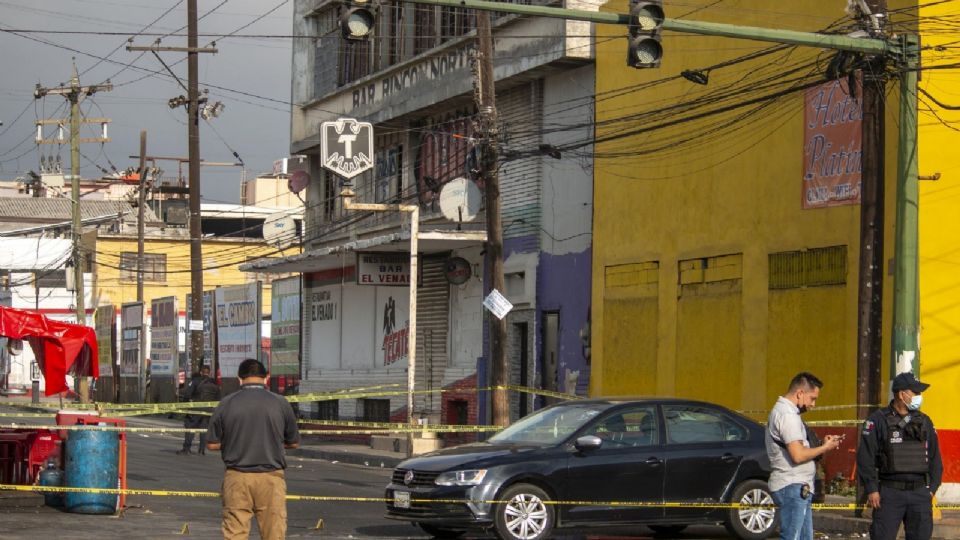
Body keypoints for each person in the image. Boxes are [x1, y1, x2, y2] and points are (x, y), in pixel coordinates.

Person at [206, 359, 300, 540]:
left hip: (237, 478)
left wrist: (235, 442)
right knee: (274, 533)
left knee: (235, 533)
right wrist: (272, 442)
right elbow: (294, 442)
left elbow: (211, 444)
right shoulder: (281, 403)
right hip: (271, 479)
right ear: (267, 378)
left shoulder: (226, 403)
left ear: (239, 379)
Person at [857, 372, 942, 540]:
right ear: (902, 394)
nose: (919, 396)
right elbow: (865, 458)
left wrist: (931, 489)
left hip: (920, 494)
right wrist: (872, 489)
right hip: (889, 494)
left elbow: (935, 459)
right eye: (915, 392)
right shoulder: (877, 420)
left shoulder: (925, 421)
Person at [766, 372, 843, 540]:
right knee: (792, 537)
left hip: (797, 486)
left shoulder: (789, 413)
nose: (813, 404)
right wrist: (824, 448)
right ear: (800, 393)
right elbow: (798, 455)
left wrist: (822, 444)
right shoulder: (787, 415)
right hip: (792, 485)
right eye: (812, 398)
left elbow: (799, 447)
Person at [177, 365, 221, 455]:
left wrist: (185, 404)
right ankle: (201, 450)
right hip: (208, 410)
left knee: (190, 427)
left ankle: (186, 448)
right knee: (203, 429)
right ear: (209, 373)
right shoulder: (215, 385)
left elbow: (187, 394)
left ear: (201, 372)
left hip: (195, 408)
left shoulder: (195, 381)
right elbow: (218, 399)